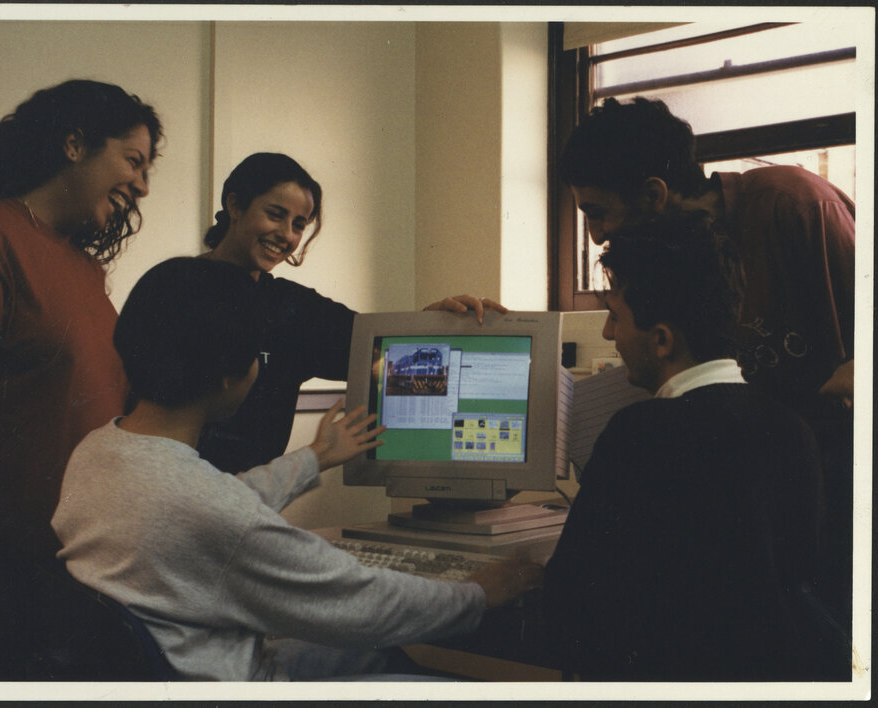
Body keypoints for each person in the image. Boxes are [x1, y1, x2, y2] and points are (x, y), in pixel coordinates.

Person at [52, 257, 543, 681]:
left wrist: (316, 457)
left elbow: (209, 498)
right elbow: (362, 602)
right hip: (237, 685)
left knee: (377, 658)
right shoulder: (215, 513)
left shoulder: (98, 452)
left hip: (189, 666)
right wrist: (478, 594)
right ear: (229, 375)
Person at [0, 79, 163, 679]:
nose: (143, 184)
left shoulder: (81, 266)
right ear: (74, 145)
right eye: (133, 160)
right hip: (11, 552)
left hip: (74, 547)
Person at [558, 96, 854, 624]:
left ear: (653, 195)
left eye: (597, 213)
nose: (596, 236)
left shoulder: (796, 206)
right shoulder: (676, 262)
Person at [522, 213, 848, 681]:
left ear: (661, 340)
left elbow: (567, 605)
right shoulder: (793, 427)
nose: (609, 335)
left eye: (616, 316)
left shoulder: (639, 434)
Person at [196, 152, 505, 473]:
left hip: (250, 503)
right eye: (275, 215)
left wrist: (431, 322)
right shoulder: (172, 290)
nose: (287, 235)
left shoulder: (293, 309)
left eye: (299, 224)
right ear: (234, 206)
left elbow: (383, 355)